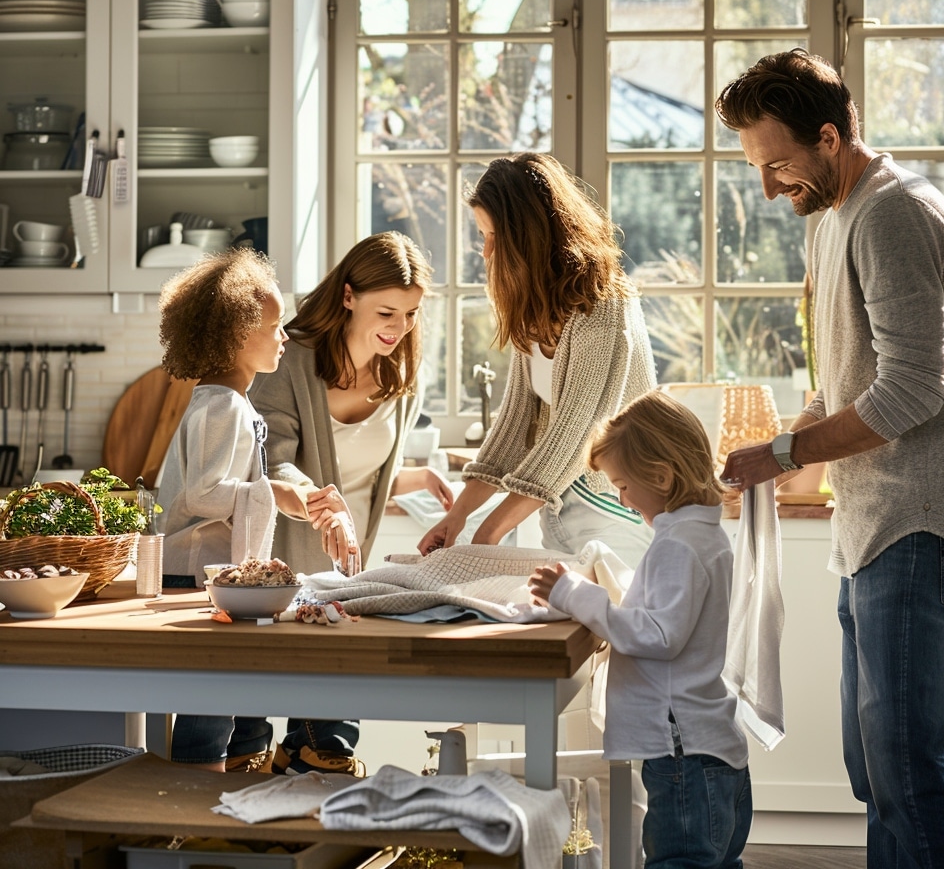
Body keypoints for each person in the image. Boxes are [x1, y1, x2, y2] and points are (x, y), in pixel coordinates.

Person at [714, 49, 944, 867]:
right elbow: (855, 380)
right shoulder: (837, 215)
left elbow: (914, 390)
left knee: (905, 774)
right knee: (874, 769)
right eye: (757, 169)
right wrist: (779, 453)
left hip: (915, 528)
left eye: (778, 164)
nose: (770, 187)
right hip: (873, 527)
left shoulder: (892, 213)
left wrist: (785, 449)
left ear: (830, 135)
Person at [248, 231, 452, 775]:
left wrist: (420, 477)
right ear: (347, 296)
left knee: (327, 740)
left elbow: (359, 473)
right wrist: (321, 505)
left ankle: (307, 777)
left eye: (410, 313)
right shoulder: (290, 361)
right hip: (280, 560)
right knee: (249, 714)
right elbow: (274, 462)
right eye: (387, 311)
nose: (399, 327)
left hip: (346, 574)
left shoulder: (400, 375)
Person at [528, 389, 752, 869]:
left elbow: (658, 636)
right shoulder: (703, 536)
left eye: (624, 485)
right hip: (709, 751)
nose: (623, 501)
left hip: (682, 756)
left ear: (661, 476)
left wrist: (573, 594)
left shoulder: (680, 545)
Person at [158, 249, 352, 772]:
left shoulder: (231, 402)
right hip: (192, 575)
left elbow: (228, 488)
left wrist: (286, 494)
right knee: (215, 697)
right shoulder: (221, 405)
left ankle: (237, 784)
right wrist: (274, 493)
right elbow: (203, 494)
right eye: (273, 326)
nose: (284, 336)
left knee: (238, 695)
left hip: (209, 574)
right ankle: (193, 801)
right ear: (236, 336)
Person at [416, 152, 657, 568]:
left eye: (494, 237)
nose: (486, 252)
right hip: (556, 502)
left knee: (610, 629)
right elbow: (514, 425)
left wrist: (488, 532)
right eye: (481, 236)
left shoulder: (603, 307)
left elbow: (576, 433)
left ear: (529, 237)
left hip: (616, 504)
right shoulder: (535, 310)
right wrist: (455, 519)